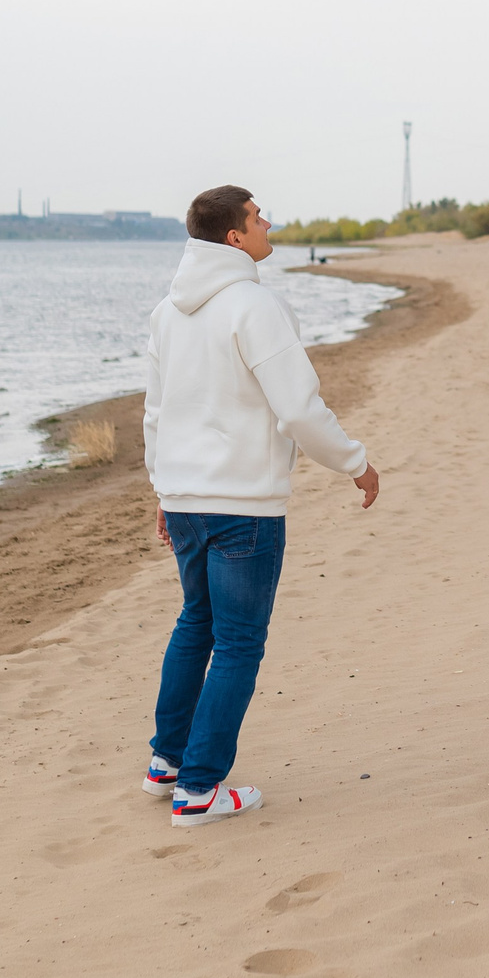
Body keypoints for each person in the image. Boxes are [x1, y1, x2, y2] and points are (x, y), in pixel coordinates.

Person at [140, 184, 380, 824]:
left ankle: (166, 761)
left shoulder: (168, 311)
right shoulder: (254, 305)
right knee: (239, 642)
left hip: (186, 499)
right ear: (234, 238)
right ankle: (198, 789)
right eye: (258, 216)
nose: (269, 222)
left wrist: (163, 490)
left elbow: (156, 415)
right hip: (243, 505)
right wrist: (355, 463)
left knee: (197, 623)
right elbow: (298, 407)